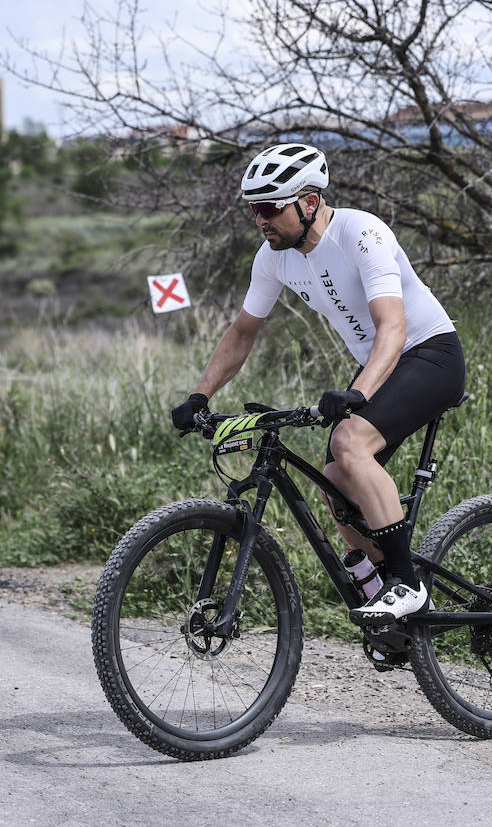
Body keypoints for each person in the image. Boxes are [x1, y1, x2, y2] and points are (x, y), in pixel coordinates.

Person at [170, 143, 465, 623]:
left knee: (350, 443)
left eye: (269, 208)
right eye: (253, 210)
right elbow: (242, 331)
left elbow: (394, 328)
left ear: (308, 202)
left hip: (429, 353)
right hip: (381, 362)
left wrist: (358, 394)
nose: (260, 220)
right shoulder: (273, 258)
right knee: (333, 482)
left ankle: (408, 583)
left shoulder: (360, 232)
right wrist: (200, 395)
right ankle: (390, 592)